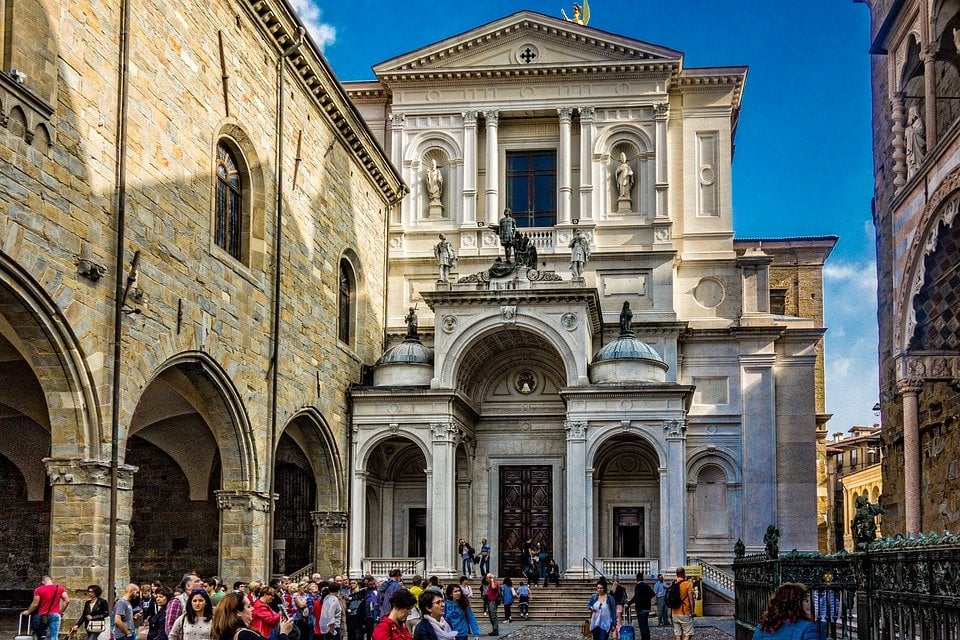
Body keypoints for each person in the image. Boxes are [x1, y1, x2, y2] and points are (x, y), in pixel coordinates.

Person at [211, 591, 294, 640]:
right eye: (248, 606)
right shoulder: (245, 635)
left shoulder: (230, 631)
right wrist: (284, 633)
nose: (252, 609)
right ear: (238, 613)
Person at [751, 583, 819, 640]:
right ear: (797, 603)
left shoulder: (763, 627)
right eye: (805, 600)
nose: (808, 603)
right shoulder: (808, 628)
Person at [23, 574, 70, 640]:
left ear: (43, 582)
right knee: (53, 637)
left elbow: (35, 604)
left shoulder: (38, 590)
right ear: (51, 580)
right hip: (55, 615)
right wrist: (61, 612)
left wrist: (28, 611)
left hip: (42, 616)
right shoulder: (60, 588)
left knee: (41, 636)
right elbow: (67, 601)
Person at [626, 574, 656, 640]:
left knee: (642, 625)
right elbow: (653, 594)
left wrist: (629, 603)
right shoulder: (647, 586)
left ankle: (644, 638)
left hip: (640, 608)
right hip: (647, 608)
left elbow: (636, 597)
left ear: (637, 579)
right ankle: (647, 638)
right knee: (646, 624)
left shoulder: (638, 586)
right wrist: (646, 599)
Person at [670, 568, 695, 640]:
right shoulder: (687, 584)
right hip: (685, 611)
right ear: (684, 573)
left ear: (676, 574)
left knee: (678, 634)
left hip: (674, 612)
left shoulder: (673, 583)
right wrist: (692, 611)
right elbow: (691, 599)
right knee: (688, 634)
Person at [905, 105, 926, 178]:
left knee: (917, 162)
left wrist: (911, 130)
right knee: (911, 163)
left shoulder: (919, 121)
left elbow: (921, 132)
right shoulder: (913, 124)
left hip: (917, 146)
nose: (910, 115)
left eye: (911, 113)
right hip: (912, 148)